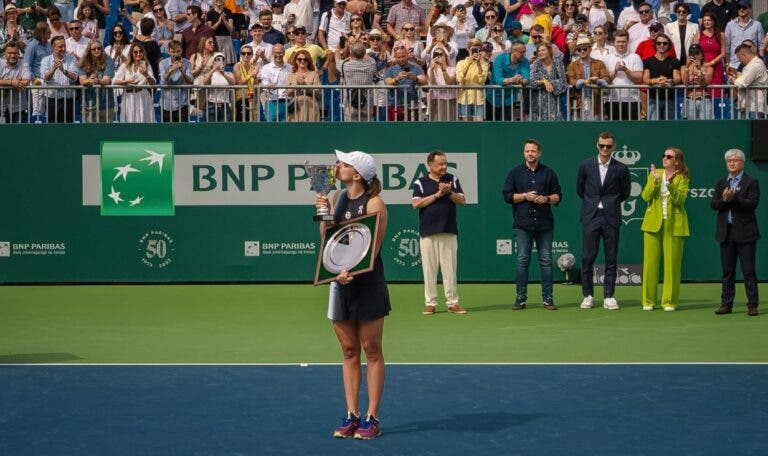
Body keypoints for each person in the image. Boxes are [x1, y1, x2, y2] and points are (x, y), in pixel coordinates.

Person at [315, 150, 390, 440]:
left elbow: (373, 247)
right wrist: (324, 212)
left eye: (343, 164)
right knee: (348, 351)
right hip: (339, 283)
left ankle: (372, 418)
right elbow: (328, 240)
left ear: (357, 174)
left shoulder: (375, 203)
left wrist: (350, 271)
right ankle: (351, 415)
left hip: (367, 284)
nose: (337, 166)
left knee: (371, 350)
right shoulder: (337, 198)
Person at [502, 138, 562, 310]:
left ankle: (548, 299)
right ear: (524, 153)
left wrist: (546, 198)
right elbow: (507, 196)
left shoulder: (549, 173)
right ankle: (520, 298)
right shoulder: (514, 173)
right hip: (522, 224)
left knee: (546, 261)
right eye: (527, 151)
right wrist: (524, 196)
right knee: (522, 260)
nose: (530, 153)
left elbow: (558, 195)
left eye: (533, 151)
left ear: (539, 153)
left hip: (545, 224)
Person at [576, 132, 631, 310]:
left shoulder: (621, 168)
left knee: (611, 258)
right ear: (597, 145)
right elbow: (580, 189)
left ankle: (608, 296)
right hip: (591, 216)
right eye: (602, 146)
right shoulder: (585, 165)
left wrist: (609, 204)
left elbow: (625, 192)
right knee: (587, 257)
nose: (605, 149)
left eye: (608, 146)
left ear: (614, 147)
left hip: (611, 217)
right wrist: (594, 204)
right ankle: (588, 295)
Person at [412, 150, 467, 315]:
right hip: (427, 231)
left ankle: (453, 303)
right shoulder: (420, 182)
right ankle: (430, 303)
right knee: (429, 270)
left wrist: (449, 192)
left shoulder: (453, 180)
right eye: (440, 164)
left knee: (450, 269)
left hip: (448, 230)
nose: (444, 167)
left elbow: (463, 201)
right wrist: (438, 194)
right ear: (430, 165)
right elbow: (416, 204)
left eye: (445, 163)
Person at [710, 149, 760, 316]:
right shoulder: (721, 183)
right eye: (729, 161)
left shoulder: (751, 182)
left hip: (746, 234)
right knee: (728, 272)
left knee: (748, 271)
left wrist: (734, 197)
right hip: (726, 234)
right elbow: (714, 205)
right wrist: (724, 199)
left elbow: (751, 204)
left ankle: (752, 305)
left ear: (742, 163)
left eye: (735, 160)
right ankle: (726, 304)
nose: (731, 163)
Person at [640, 147, 690, 311]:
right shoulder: (655, 173)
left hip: (674, 223)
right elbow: (645, 196)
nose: (665, 158)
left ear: (677, 160)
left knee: (672, 265)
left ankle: (669, 301)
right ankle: (648, 301)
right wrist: (654, 182)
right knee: (650, 264)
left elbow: (679, 200)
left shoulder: (682, 177)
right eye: (664, 155)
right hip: (652, 223)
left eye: (669, 156)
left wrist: (669, 184)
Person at [567, 35, 609, 120]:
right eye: (579, 50)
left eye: (585, 49)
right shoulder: (572, 66)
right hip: (578, 101)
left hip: (595, 101)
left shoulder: (599, 63)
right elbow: (571, 81)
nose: (582, 51)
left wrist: (598, 81)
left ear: (590, 49)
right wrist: (586, 81)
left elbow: (607, 79)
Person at [113, 43, 156, 123]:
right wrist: (127, 81)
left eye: (140, 51)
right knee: (129, 122)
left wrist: (146, 74)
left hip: (143, 96)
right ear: (131, 54)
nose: (138, 54)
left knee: (144, 122)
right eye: (135, 52)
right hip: (129, 97)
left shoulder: (147, 65)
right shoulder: (126, 65)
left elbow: (153, 83)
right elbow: (114, 81)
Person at [40, 35, 78, 123]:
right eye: (60, 47)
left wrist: (64, 71)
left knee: (68, 129)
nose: (63, 49)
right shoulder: (45, 60)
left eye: (64, 46)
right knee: (52, 128)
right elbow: (46, 78)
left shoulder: (72, 59)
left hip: (69, 100)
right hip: (52, 100)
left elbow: (75, 78)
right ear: (53, 47)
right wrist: (54, 68)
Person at [643, 33, 681, 120]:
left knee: (669, 128)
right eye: (659, 43)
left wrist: (670, 81)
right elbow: (645, 79)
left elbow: (677, 78)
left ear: (669, 45)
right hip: (653, 98)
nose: (662, 45)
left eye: (665, 43)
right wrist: (656, 81)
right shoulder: (648, 61)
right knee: (654, 127)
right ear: (655, 45)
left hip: (670, 99)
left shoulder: (674, 61)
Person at [383, 44, 427, 121]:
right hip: (394, 105)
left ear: (407, 55)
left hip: (411, 105)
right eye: (399, 57)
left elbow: (425, 82)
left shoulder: (415, 67)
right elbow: (387, 82)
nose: (401, 59)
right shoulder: (390, 69)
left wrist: (415, 78)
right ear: (395, 58)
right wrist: (396, 79)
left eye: (403, 56)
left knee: (412, 130)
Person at [77, 39, 115, 123]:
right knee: (90, 134)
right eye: (93, 49)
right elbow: (82, 81)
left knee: (107, 133)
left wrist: (97, 81)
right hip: (88, 104)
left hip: (106, 104)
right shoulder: (83, 62)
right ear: (89, 51)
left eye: (99, 48)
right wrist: (90, 80)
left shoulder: (108, 60)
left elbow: (107, 80)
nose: (97, 50)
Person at [729, 42, 768, 119]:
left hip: (754, 108)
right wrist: (737, 80)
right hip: (748, 106)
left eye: (739, 58)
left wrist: (733, 80)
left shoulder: (755, 65)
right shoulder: (750, 65)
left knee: (756, 131)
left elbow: (742, 83)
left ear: (744, 55)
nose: (740, 61)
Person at [529, 41, 566, 120]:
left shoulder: (558, 63)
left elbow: (563, 82)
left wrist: (550, 83)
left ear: (549, 51)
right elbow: (532, 82)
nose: (540, 52)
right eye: (538, 51)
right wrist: (543, 81)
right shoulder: (535, 64)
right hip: (539, 102)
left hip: (555, 102)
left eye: (543, 50)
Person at [341, 41, 376, 121]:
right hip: (366, 104)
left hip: (350, 104)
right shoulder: (371, 64)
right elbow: (370, 59)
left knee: (350, 130)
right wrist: (363, 51)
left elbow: (336, 59)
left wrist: (337, 49)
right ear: (364, 52)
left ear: (351, 53)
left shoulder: (344, 65)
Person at [159, 40, 194, 122]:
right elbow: (163, 82)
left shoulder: (187, 63)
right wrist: (171, 70)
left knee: (182, 131)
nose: (176, 54)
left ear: (181, 51)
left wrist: (182, 71)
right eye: (173, 52)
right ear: (169, 52)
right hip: (166, 103)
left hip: (182, 103)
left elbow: (190, 81)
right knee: (167, 131)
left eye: (178, 51)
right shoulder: (163, 63)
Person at [456, 38, 490, 121]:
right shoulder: (461, 63)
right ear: (468, 49)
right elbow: (460, 79)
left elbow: (482, 80)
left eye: (477, 49)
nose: (475, 51)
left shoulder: (484, 64)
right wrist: (469, 63)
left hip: (479, 99)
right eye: (473, 49)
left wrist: (478, 63)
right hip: (464, 98)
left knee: (478, 125)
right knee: (466, 127)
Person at [724, 0, 763, 71]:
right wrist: (727, 63)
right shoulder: (730, 25)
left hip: (752, 65)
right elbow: (727, 46)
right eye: (739, 7)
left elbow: (761, 46)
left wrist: (762, 63)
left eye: (744, 7)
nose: (741, 9)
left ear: (750, 9)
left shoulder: (757, 25)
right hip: (734, 65)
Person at [258, 43, 293, 121]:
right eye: (276, 52)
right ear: (272, 53)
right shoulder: (266, 68)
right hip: (271, 102)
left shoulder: (291, 68)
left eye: (280, 52)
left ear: (284, 53)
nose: (278, 55)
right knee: (271, 129)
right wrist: (268, 84)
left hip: (287, 102)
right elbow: (264, 80)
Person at [0, 42, 32, 123]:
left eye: (15, 53)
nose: (13, 56)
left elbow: (26, 81)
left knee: (18, 134)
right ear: (4, 53)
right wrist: (12, 82)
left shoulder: (24, 64)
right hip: (1, 106)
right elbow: (21, 81)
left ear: (18, 53)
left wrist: (3, 81)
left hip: (18, 107)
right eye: (9, 53)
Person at [681, 43, 714, 119]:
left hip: (704, 99)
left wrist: (699, 69)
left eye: (696, 52)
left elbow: (705, 83)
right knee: (690, 127)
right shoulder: (684, 67)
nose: (694, 55)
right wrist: (687, 67)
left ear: (702, 55)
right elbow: (685, 83)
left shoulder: (708, 67)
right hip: (689, 99)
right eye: (691, 53)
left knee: (706, 127)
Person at [286, 48, 320, 121]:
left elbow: (317, 93)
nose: (302, 61)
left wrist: (305, 84)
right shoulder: (291, 75)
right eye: (299, 59)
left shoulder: (314, 74)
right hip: (295, 104)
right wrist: (296, 85)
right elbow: (288, 93)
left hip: (310, 104)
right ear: (296, 61)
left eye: (305, 59)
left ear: (308, 61)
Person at [426, 43, 458, 121]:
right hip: (436, 100)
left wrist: (443, 68)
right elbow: (432, 83)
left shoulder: (452, 69)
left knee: (450, 124)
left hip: (450, 100)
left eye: (440, 54)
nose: (438, 56)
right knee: (436, 124)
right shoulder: (431, 69)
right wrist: (432, 69)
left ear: (445, 56)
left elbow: (449, 82)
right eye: (435, 54)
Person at [203, 51, 235, 121]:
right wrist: (213, 69)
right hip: (212, 104)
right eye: (217, 59)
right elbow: (204, 83)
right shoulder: (211, 74)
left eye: (223, 59)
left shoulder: (229, 73)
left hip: (225, 104)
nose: (221, 61)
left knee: (224, 129)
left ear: (225, 62)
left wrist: (223, 73)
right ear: (213, 62)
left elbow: (233, 83)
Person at [206, 0, 236, 64]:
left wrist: (224, 21)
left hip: (227, 40)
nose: (219, 1)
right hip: (215, 40)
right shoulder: (210, 13)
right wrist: (219, 22)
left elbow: (231, 29)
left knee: (227, 63)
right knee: (215, 63)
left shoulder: (228, 11)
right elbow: (210, 29)